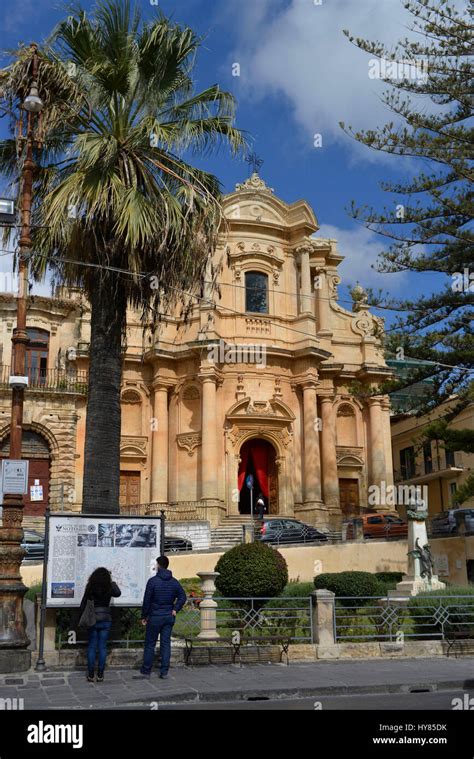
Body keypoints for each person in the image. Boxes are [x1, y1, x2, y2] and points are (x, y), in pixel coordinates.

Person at [138, 555, 186, 679]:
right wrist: (175, 609)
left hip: (154, 617)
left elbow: (147, 600)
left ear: (158, 565)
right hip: (168, 617)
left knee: (150, 644)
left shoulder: (153, 581)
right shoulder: (174, 582)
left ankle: (146, 670)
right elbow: (182, 597)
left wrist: (144, 615)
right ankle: (164, 672)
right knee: (165, 644)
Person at [78, 567, 121, 683]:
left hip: (93, 619)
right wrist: (112, 582)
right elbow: (118, 593)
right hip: (106, 618)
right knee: (102, 647)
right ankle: (101, 674)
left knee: (92, 646)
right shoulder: (109, 586)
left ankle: (91, 674)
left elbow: (83, 603)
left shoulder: (91, 586)